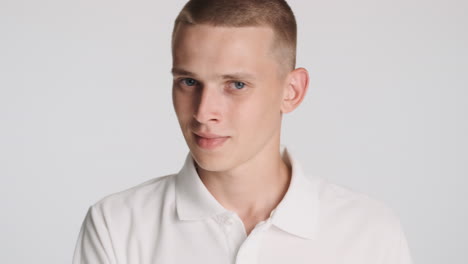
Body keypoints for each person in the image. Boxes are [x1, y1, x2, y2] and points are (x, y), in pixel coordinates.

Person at [73, 0, 413, 263]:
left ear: (291, 91)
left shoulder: (369, 232)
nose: (204, 112)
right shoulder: (118, 225)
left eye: (236, 84)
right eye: (188, 82)